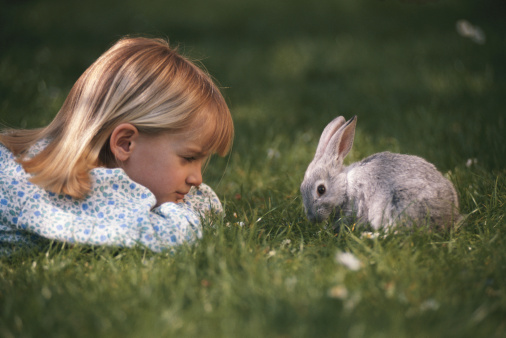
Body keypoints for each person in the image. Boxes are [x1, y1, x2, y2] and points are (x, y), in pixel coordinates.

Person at [0, 36, 234, 253]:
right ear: (125, 143)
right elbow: (174, 235)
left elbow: (204, 205)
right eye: (189, 158)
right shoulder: (82, 191)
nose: (197, 180)